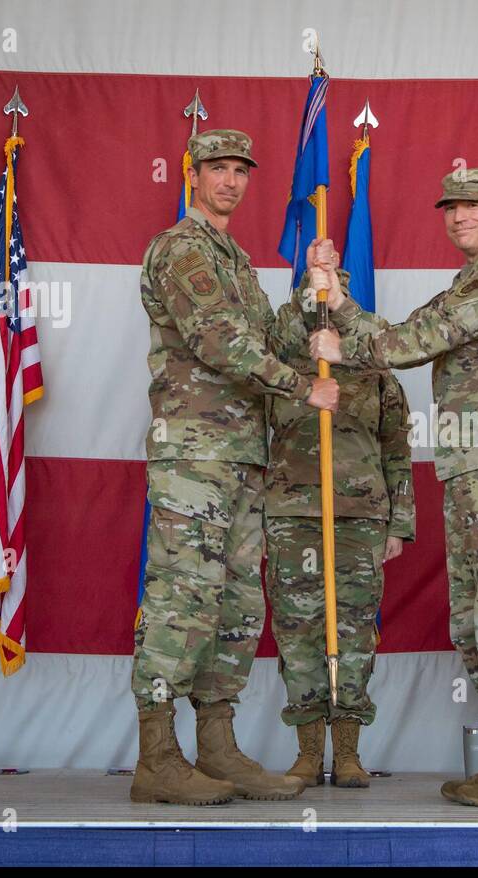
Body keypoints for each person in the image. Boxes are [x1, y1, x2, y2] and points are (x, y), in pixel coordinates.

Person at [307, 167, 478, 807]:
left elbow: (411, 342)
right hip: (470, 471)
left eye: (474, 204)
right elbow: (398, 335)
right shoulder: (466, 283)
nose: (459, 216)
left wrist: (341, 322)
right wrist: (335, 296)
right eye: (449, 206)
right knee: (475, 626)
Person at [130, 129, 338, 805]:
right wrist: (301, 384)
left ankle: (217, 745)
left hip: (244, 456)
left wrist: (314, 292)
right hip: (195, 453)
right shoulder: (182, 249)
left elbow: (265, 334)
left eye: (240, 170)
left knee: (238, 605)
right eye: (217, 168)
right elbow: (219, 341)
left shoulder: (237, 261)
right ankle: (157, 754)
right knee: (183, 596)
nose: (230, 180)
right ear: (192, 173)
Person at [264, 265, 415, 788]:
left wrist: (399, 524)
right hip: (291, 514)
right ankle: (307, 753)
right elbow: (275, 336)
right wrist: (306, 296)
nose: (325, 299)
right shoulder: (280, 359)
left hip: (360, 517)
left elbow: (397, 448)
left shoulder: (374, 370)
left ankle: (348, 750)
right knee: (298, 631)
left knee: (352, 632)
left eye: (334, 291)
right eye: (315, 292)